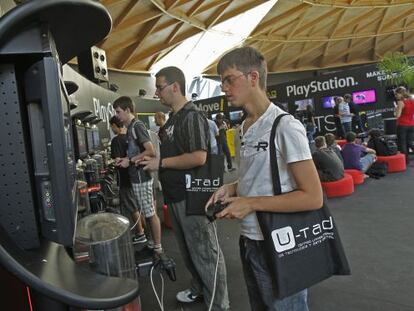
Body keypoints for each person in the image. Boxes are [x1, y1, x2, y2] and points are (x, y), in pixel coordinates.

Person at [207, 46, 323, 311]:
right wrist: (232, 188)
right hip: (250, 240)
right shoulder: (243, 128)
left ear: (253, 77)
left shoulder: (285, 126)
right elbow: (261, 176)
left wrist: (250, 203)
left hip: (281, 243)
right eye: (221, 80)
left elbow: (313, 197)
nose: (224, 87)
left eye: (229, 79)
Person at [140, 66, 229, 310]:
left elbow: (199, 157)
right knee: (189, 251)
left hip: (193, 197)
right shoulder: (174, 119)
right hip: (177, 195)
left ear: (175, 87)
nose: (157, 93)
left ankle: (219, 304)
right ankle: (200, 289)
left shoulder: (191, 115)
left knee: (205, 252)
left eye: (160, 87)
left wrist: (161, 162)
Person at [112, 96, 163, 256]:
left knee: (149, 213)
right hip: (137, 177)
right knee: (146, 213)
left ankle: (158, 248)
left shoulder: (137, 126)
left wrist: (130, 161)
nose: (118, 115)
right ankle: (151, 243)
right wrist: (126, 159)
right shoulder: (131, 128)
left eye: (119, 111)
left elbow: (150, 151)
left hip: (142, 177)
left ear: (128, 110)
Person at [109, 116, 147, 244]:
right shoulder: (128, 138)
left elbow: (117, 160)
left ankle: (140, 233)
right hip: (135, 176)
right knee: (136, 204)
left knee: (132, 207)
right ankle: (142, 229)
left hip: (125, 178)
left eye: (112, 126)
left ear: (115, 125)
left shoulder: (116, 141)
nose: (111, 129)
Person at [394, 86, 414, 164]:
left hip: (402, 125)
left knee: (402, 144)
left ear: (401, 94)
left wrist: (396, 109)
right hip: (412, 124)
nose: (396, 96)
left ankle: (405, 161)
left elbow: (397, 115)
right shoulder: (412, 100)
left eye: (396, 94)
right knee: (409, 142)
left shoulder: (400, 102)